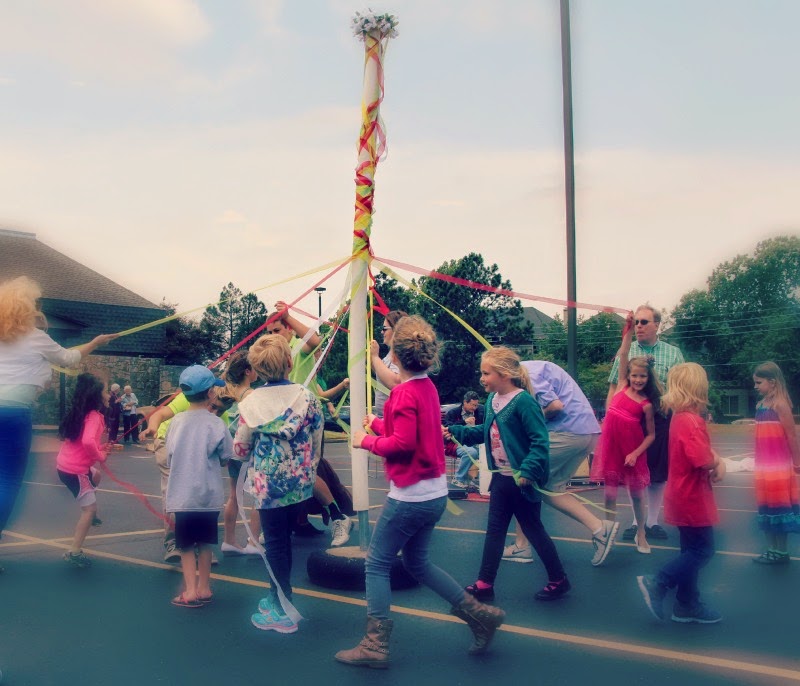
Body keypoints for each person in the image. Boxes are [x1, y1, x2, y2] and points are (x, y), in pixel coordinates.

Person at [336, 316, 505, 668]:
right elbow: (415, 430)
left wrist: (365, 440)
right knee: (416, 562)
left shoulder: (401, 393)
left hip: (410, 496)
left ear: (395, 356)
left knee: (376, 563)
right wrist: (378, 423)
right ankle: (479, 615)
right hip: (433, 493)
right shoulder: (427, 388)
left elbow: (402, 443)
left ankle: (375, 645)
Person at [0, 276, 116, 572]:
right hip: (13, 414)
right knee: (7, 481)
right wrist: (96, 342)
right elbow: (69, 358)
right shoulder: (34, 336)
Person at [448, 347, 570, 603]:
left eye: (486, 373)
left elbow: (540, 441)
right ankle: (485, 582)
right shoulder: (492, 401)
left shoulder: (524, 402)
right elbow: (485, 432)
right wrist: (455, 431)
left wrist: (528, 470)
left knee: (534, 530)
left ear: (504, 374)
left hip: (521, 481)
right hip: (502, 479)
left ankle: (559, 580)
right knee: (495, 531)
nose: (482, 378)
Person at [233, 334, 324, 633]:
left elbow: (241, 448)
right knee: (284, 541)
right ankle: (278, 595)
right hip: (299, 484)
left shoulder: (251, 403)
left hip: (268, 488)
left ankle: (282, 606)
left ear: (256, 369)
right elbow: (317, 440)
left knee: (275, 544)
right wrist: (308, 469)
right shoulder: (307, 398)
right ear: (289, 362)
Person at [503, 360, 616, 567]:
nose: (484, 379)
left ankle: (522, 545)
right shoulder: (533, 368)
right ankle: (600, 528)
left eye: (487, 373)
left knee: (525, 479)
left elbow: (554, 406)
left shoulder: (527, 373)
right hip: (586, 432)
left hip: (567, 431)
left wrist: (528, 422)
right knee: (551, 489)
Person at [637, 363, 725, 624]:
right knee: (703, 551)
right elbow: (702, 460)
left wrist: (714, 459)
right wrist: (719, 462)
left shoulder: (679, 417)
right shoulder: (693, 421)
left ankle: (686, 604)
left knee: (690, 550)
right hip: (692, 497)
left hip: (681, 494)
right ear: (699, 388)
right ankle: (659, 582)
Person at [266, 302, 353, 546]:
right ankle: (299, 521)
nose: (273, 336)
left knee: (305, 469)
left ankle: (338, 516)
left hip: (306, 419)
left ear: (290, 330)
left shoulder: (298, 349)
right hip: (286, 421)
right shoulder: (275, 356)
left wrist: (288, 316)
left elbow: (315, 341)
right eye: (270, 332)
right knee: (290, 470)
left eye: (277, 330)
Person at [607, 304, 684, 542]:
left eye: (644, 322)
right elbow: (614, 386)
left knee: (657, 472)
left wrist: (674, 409)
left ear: (657, 325)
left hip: (660, 419)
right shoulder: (626, 352)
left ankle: (652, 522)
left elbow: (681, 387)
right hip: (630, 418)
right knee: (634, 469)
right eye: (636, 322)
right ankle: (636, 521)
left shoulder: (673, 353)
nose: (639, 326)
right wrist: (609, 419)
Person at [141, 382, 233, 563]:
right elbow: (159, 414)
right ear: (209, 395)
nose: (215, 412)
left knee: (198, 491)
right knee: (175, 488)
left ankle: (201, 543)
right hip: (169, 441)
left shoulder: (220, 418)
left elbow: (222, 447)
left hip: (195, 445)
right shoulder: (188, 398)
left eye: (221, 410)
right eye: (213, 406)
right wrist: (152, 427)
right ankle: (173, 542)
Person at [165, 365, 234, 608]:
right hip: (208, 495)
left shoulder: (176, 422)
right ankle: (204, 587)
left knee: (185, 546)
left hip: (182, 495)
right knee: (206, 543)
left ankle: (190, 590)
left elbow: (170, 455)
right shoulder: (216, 424)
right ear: (210, 393)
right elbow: (226, 456)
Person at [600, 316, 662, 555]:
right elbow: (624, 353)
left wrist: (635, 454)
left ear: (648, 378)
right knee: (609, 493)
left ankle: (641, 533)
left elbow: (651, 436)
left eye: (642, 377)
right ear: (628, 375)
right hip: (612, 447)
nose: (638, 380)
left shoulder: (646, 404)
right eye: (635, 375)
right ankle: (607, 533)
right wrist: (628, 328)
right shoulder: (622, 385)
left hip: (631, 450)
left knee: (637, 495)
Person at [56, 373, 111, 568]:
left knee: (96, 474)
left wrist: (101, 448)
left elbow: (84, 443)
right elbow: (88, 442)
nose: (109, 395)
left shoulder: (82, 413)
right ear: (97, 395)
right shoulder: (94, 416)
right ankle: (74, 552)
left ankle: (90, 507)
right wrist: (100, 456)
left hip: (66, 466)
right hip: (75, 470)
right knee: (89, 509)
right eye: (106, 391)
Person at [751, 362, 800, 564]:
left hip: (778, 468)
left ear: (772, 382)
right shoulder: (760, 405)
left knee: (779, 508)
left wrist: (797, 463)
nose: (755, 386)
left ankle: (781, 551)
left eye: (759, 382)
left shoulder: (780, 405)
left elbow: (791, 435)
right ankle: (771, 549)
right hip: (763, 468)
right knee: (766, 508)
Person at [220, 350, 262, 556]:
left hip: (232, 451)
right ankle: (253, 542)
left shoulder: (228, 393)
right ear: (247, 371)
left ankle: (229, 540)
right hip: (249, 451)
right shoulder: (252, 395)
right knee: (258, 497)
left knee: (233, 496)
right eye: (255, 367)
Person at [369, 310, 407, 418]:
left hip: (394, 418)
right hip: (387, 417)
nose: (382, 332)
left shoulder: (400, 353)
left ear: (396, 330)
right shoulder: (392, 352)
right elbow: (383, 375)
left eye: (384, 328)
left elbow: (395, 383)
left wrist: (375, 357)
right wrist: (372, 360)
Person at [444, 390, 485, 490]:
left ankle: (476, 479)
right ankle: (459, 479)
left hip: (475, 441)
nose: (474, 408)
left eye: (476, 405)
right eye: (472, 405)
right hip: (455, 442)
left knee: (486, 451)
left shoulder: (480, 411)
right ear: (465, 402)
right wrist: (464, 421)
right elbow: (447, 427)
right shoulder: (453, 412)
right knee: (471, 452)